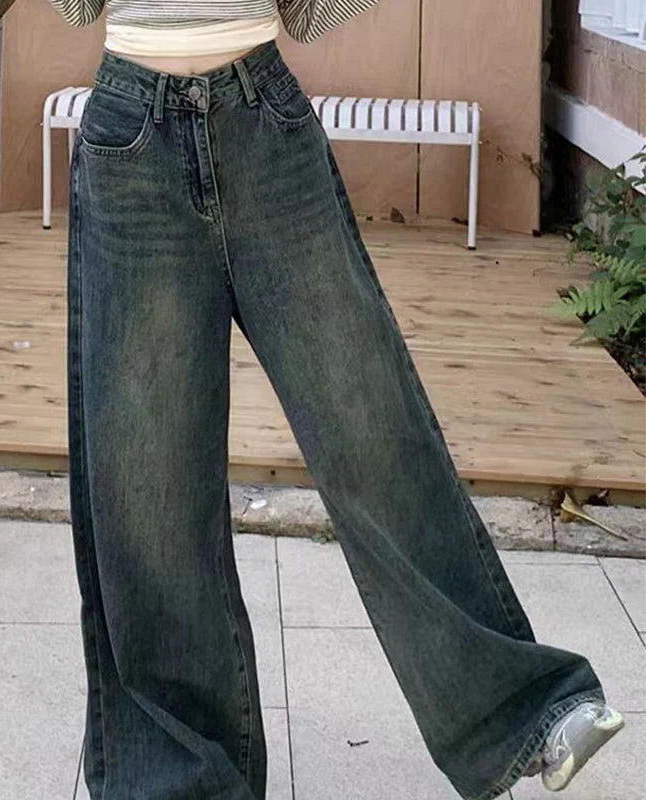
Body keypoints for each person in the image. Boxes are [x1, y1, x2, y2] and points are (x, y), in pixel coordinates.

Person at [47, 2, 626, 798]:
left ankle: (518, 711)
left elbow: (309, 15)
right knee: (148, 484)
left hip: (263, 125)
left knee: (371, 423)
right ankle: (181, 782)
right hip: (130, 143)